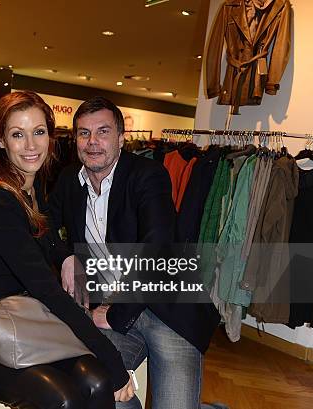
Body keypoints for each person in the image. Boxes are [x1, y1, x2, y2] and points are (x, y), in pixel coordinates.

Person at [0, 91, 134, 408]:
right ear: (2, 141)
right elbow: (44, 288)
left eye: (39, 132)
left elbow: (48, 242)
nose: (31, 146)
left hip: (22, 318)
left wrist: (65, 257)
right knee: (64, 398)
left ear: (50, 135)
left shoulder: (32, 188)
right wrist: (112, 358)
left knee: (97, 381)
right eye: (18, 135)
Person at [49, 96, 221, 409]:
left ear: (121, 138)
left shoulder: (148, 175)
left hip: (167, 310)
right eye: (84, 133)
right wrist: (65, 257)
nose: (93, 142)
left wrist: (116, 314)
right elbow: (44, 226)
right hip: (109, 307)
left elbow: (156, 247)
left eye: (102, 131)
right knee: (97, 388)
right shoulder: (68, 180)